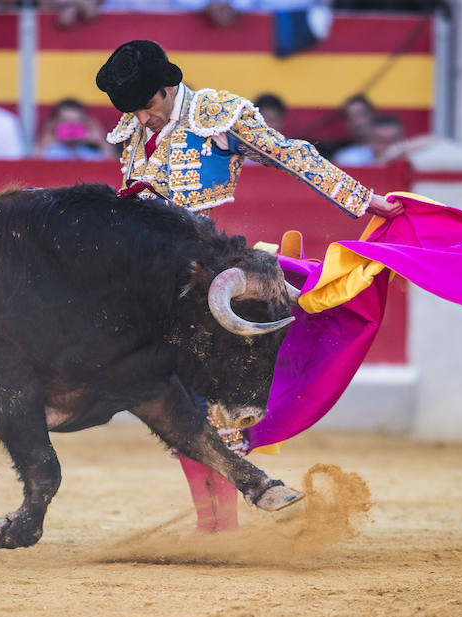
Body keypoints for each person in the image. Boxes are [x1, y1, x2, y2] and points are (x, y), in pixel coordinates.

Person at [96, 40, 402, 533]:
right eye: (132, 110)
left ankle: (223, 528)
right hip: (153, 288)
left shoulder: (217, 116)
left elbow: (292, 156)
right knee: (175, 408)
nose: (141, 119)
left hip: (207, 283)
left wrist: (363, 201)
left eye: (147, 106)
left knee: (213, 407)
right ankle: (210, 525)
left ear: (168, 87)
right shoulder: (136, 129)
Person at [37, 98, 116, 160]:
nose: (71, 127)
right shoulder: (51, 151)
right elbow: (34, 164)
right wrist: (46, 138)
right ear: (55, 123)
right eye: (65, 121)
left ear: (85, 123)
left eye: (76, 121)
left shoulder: (92, 152)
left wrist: (100, 141)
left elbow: (112, 164)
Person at [332, 93, 376, 166]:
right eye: (350, 117)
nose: (357, 122)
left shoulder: (393, 150)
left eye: (361, 114)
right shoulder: (342, 158)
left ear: (372, 115)